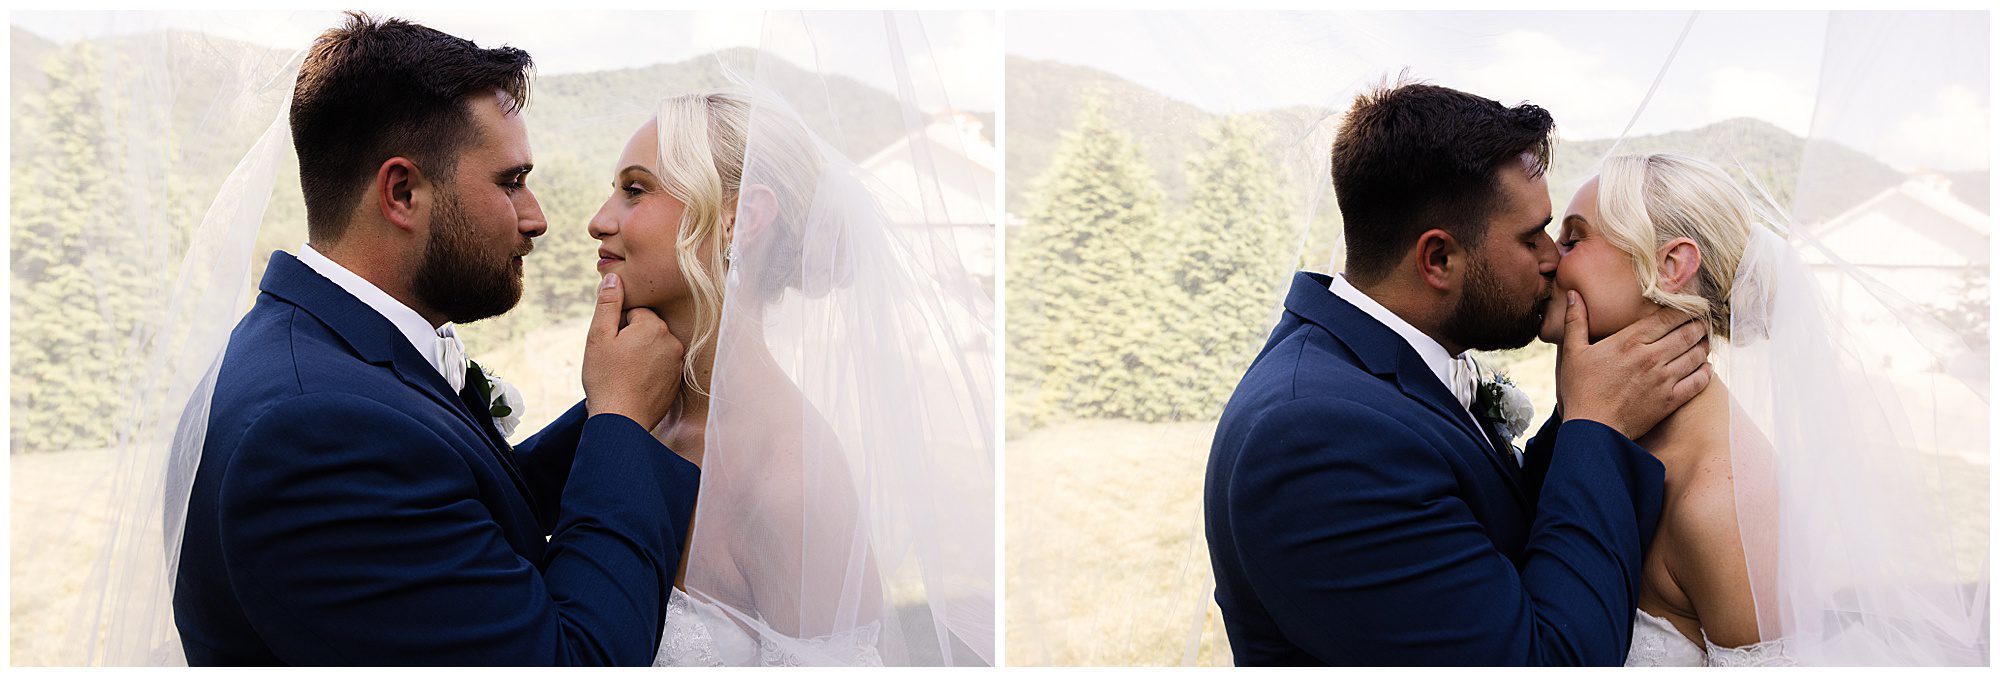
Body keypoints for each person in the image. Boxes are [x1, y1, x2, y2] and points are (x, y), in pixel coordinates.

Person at [171, 14, 697, 665]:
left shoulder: (322, 353)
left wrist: (627, 396)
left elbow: (465, 510)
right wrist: (620, 419)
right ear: (403, 192)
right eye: (511, 181)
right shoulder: (311, 435)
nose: (538, 218)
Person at [1203, 80, 1712, 665]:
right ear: (1439, 259)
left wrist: (1580, 410)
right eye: (1531, 238)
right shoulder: (1314, 440)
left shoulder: (1385, 367)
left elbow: (1497, 523)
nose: (1552, 259)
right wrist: (1599, 427)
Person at [1541, 153, 1988, 666]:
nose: (1550, 258)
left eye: (1573, 238)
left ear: (1670, 267)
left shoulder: (1722, 497)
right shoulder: (1609, 429)